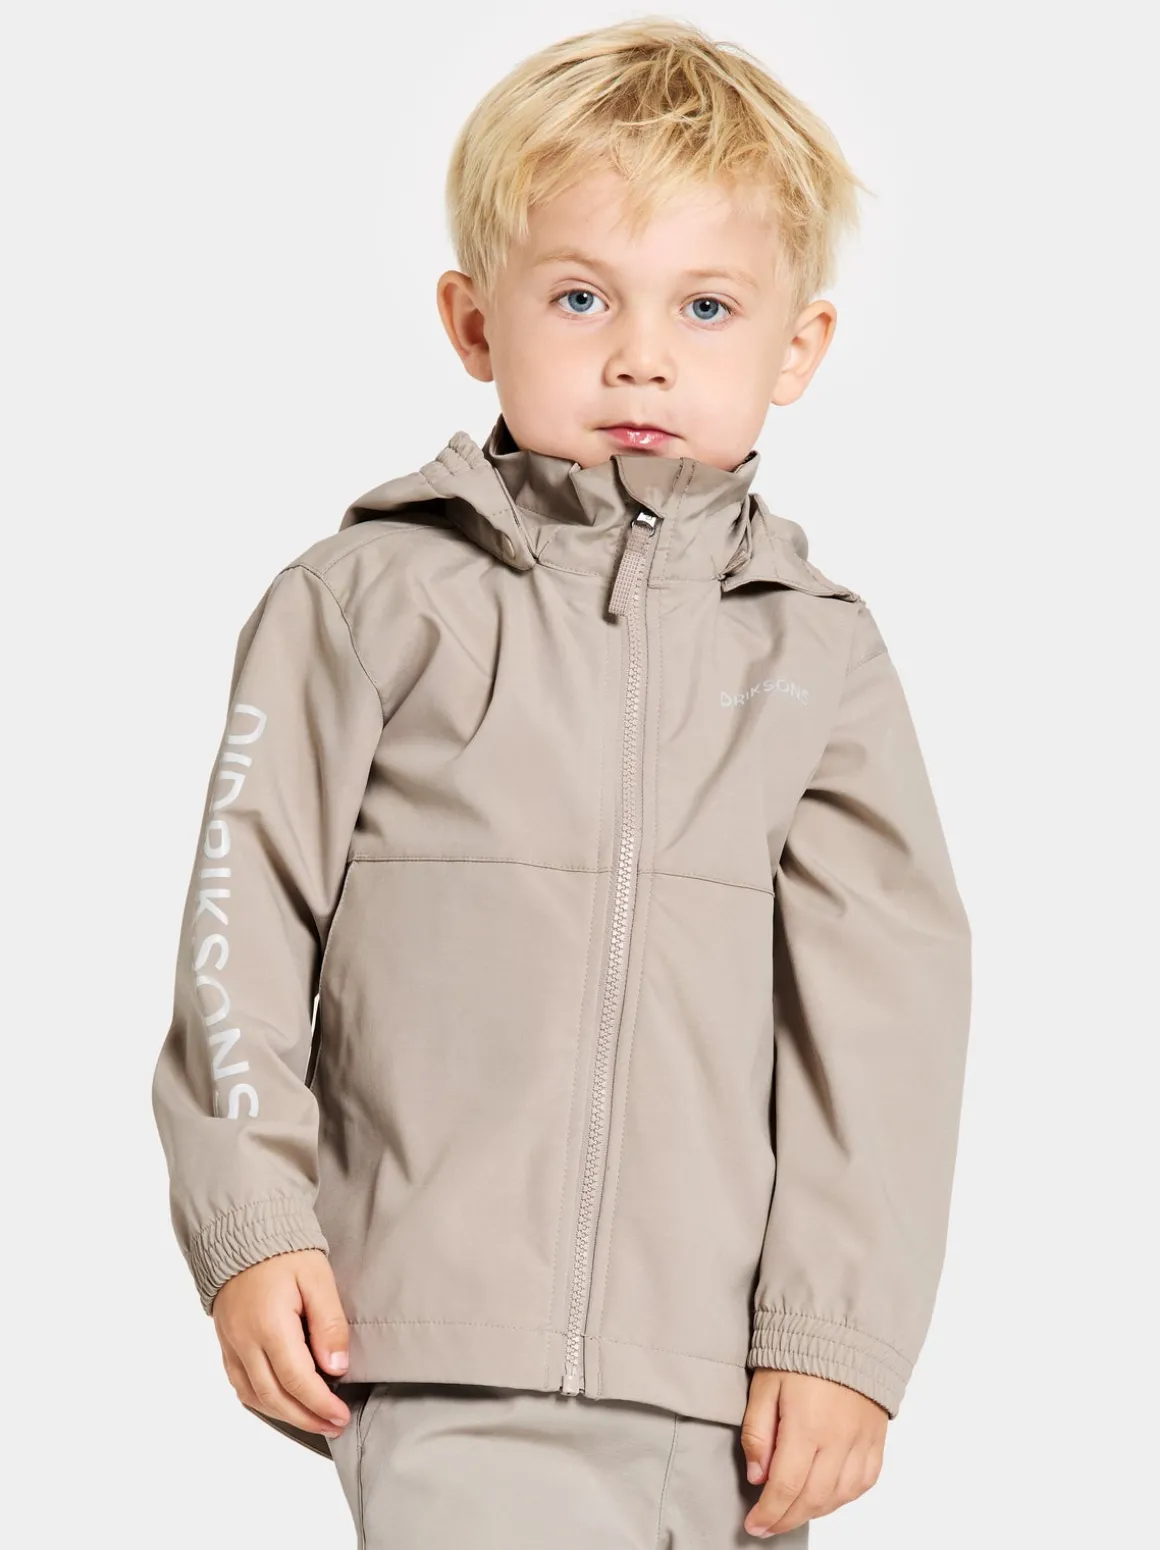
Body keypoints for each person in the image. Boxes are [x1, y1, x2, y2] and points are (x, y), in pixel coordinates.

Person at [150, 16, 972, 1546]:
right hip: (436, 1343)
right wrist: (250, 1218)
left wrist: (840, 1335)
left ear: (798, 347)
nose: (641, 353)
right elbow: (238, 930)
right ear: (476, 320)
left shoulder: (819, 656)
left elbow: (885, 1026)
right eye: (582, 295)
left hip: (726, 1392)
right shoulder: (367, 600)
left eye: (707, 305)